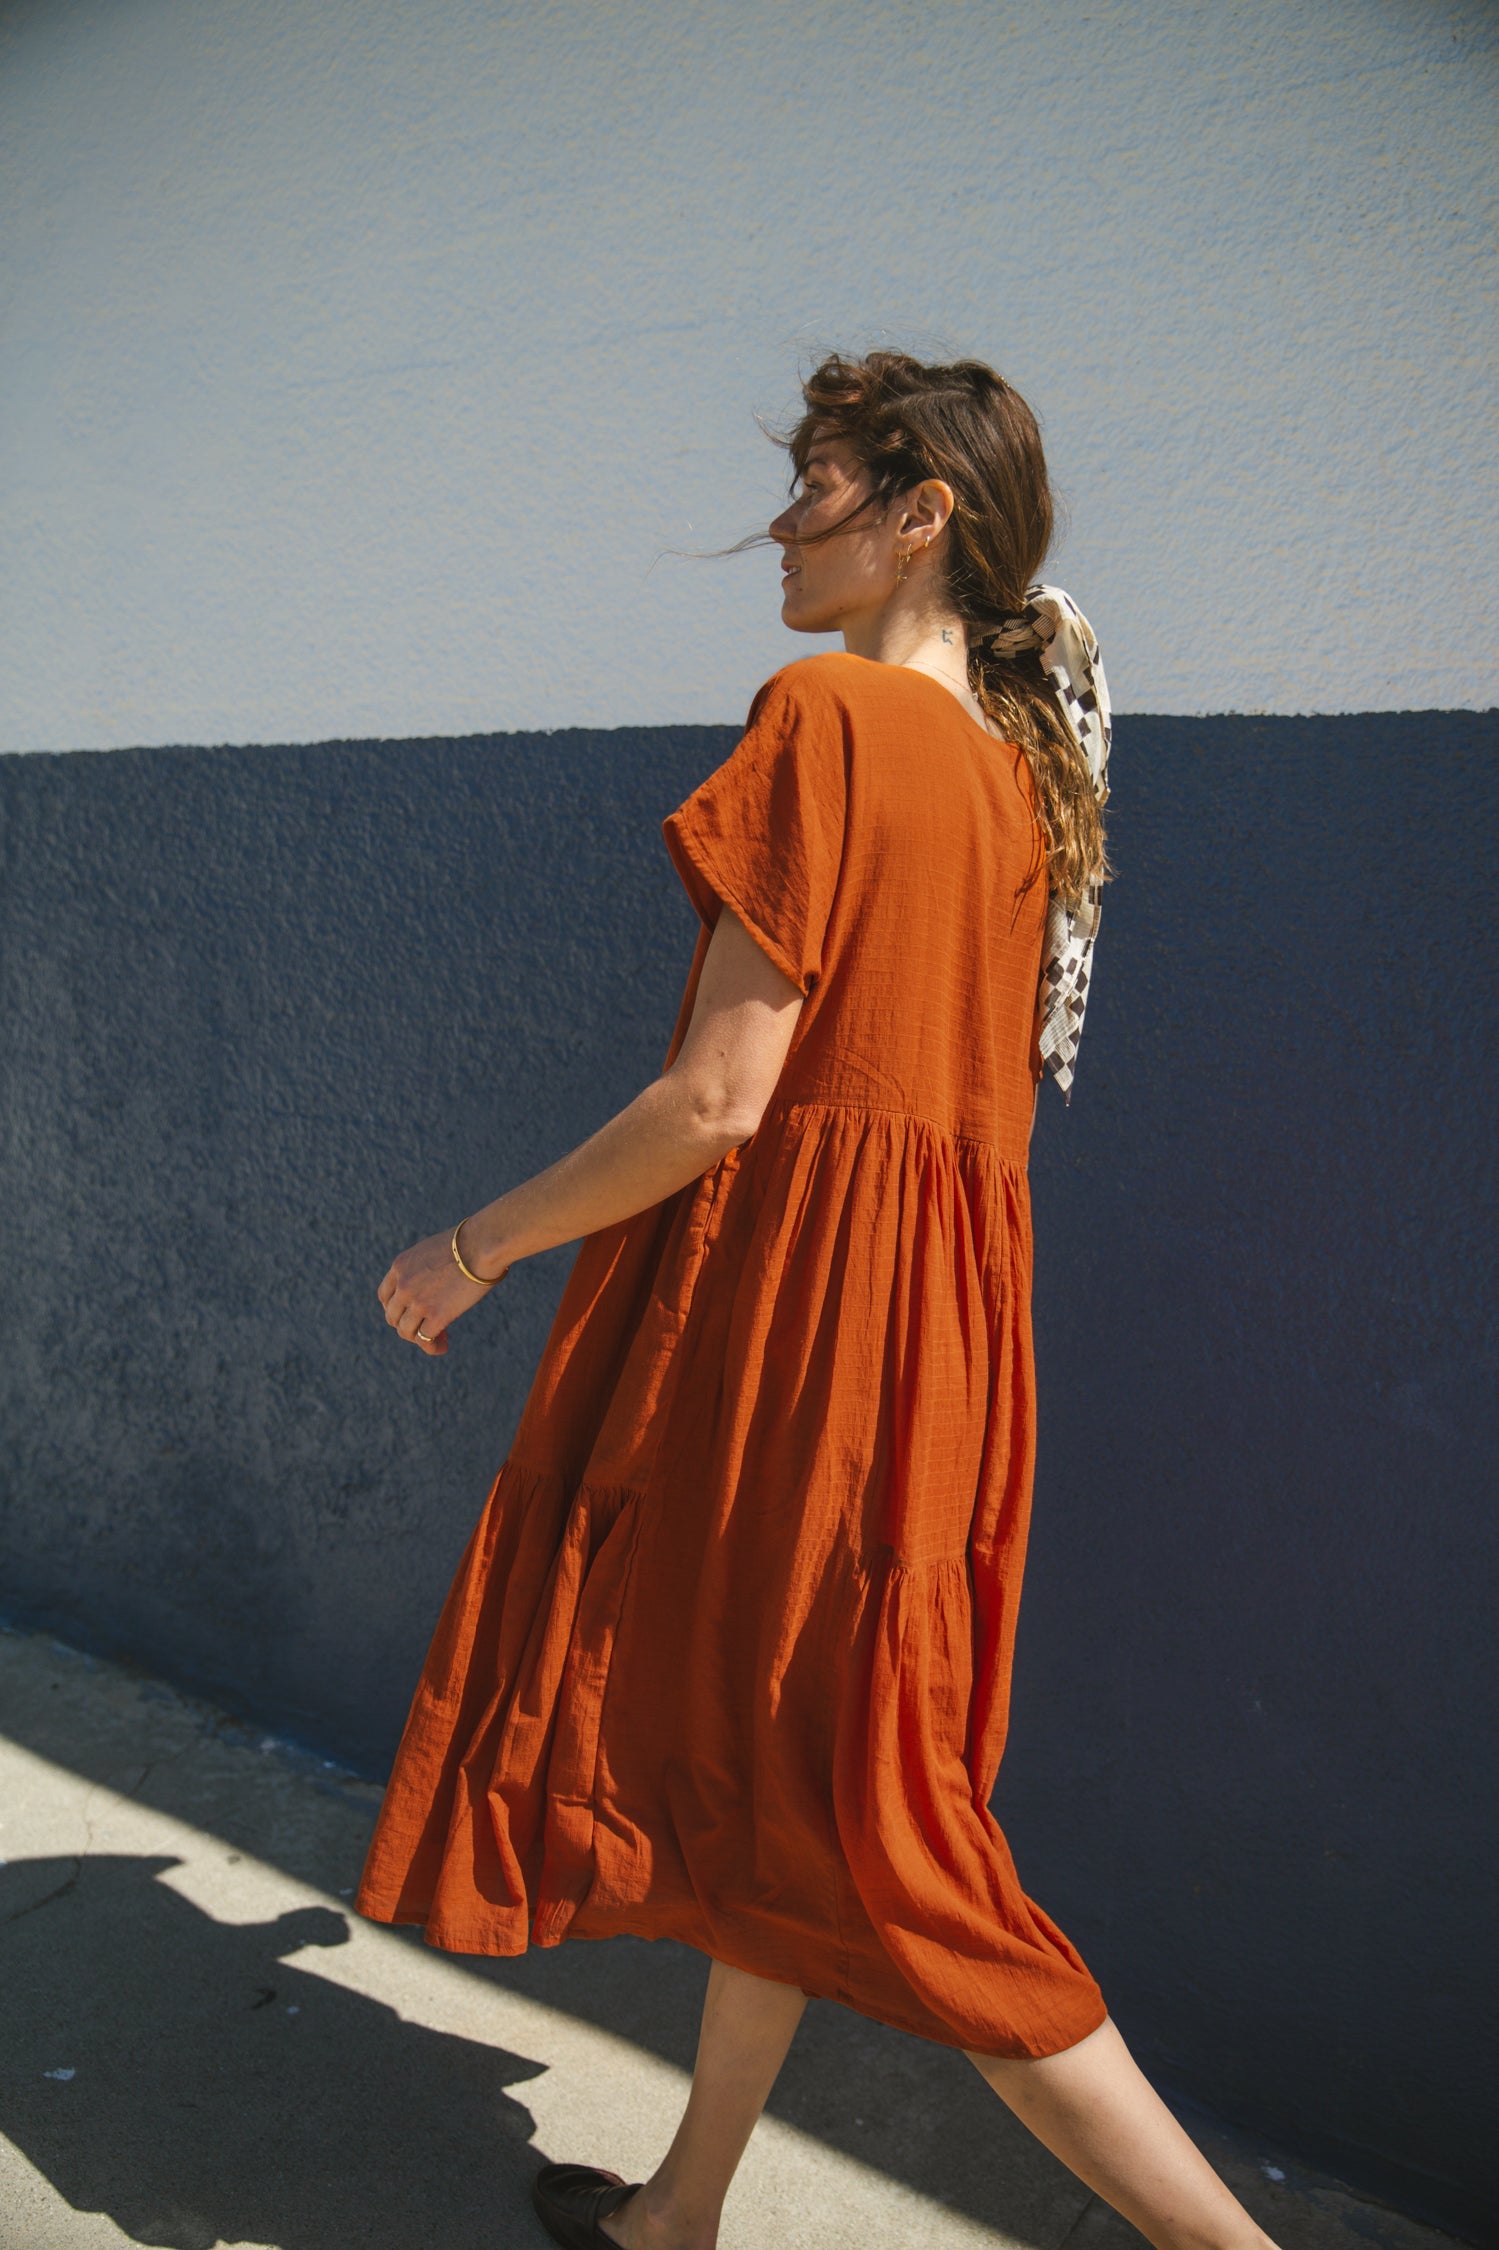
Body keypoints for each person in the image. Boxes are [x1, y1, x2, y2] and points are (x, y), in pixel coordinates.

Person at [361, 350, 1278, 2250]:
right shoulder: (1026, 791)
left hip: (808, 1347)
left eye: (821, 487)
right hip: (941, 1350)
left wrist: (473, 1246)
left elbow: (720, 1100)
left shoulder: (830, 719)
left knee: (912, 1854)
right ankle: (679, 2210)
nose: (783, 526)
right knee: (806, 1777)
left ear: (920, 513)